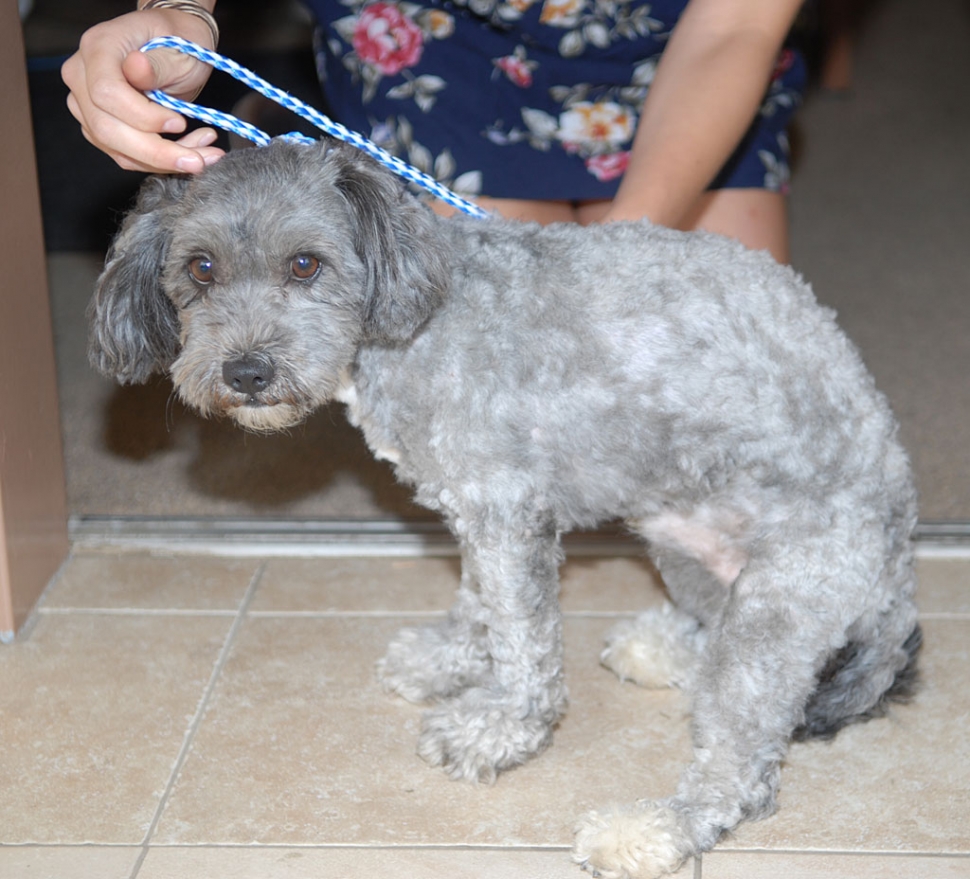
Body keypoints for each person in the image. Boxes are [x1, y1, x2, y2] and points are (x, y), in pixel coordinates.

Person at [62, 0, 805, 262]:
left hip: (676, 36)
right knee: (498, 403)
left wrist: (622, 254)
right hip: (434, 40)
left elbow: (735, 25)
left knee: (712, 400)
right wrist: (179, 14)